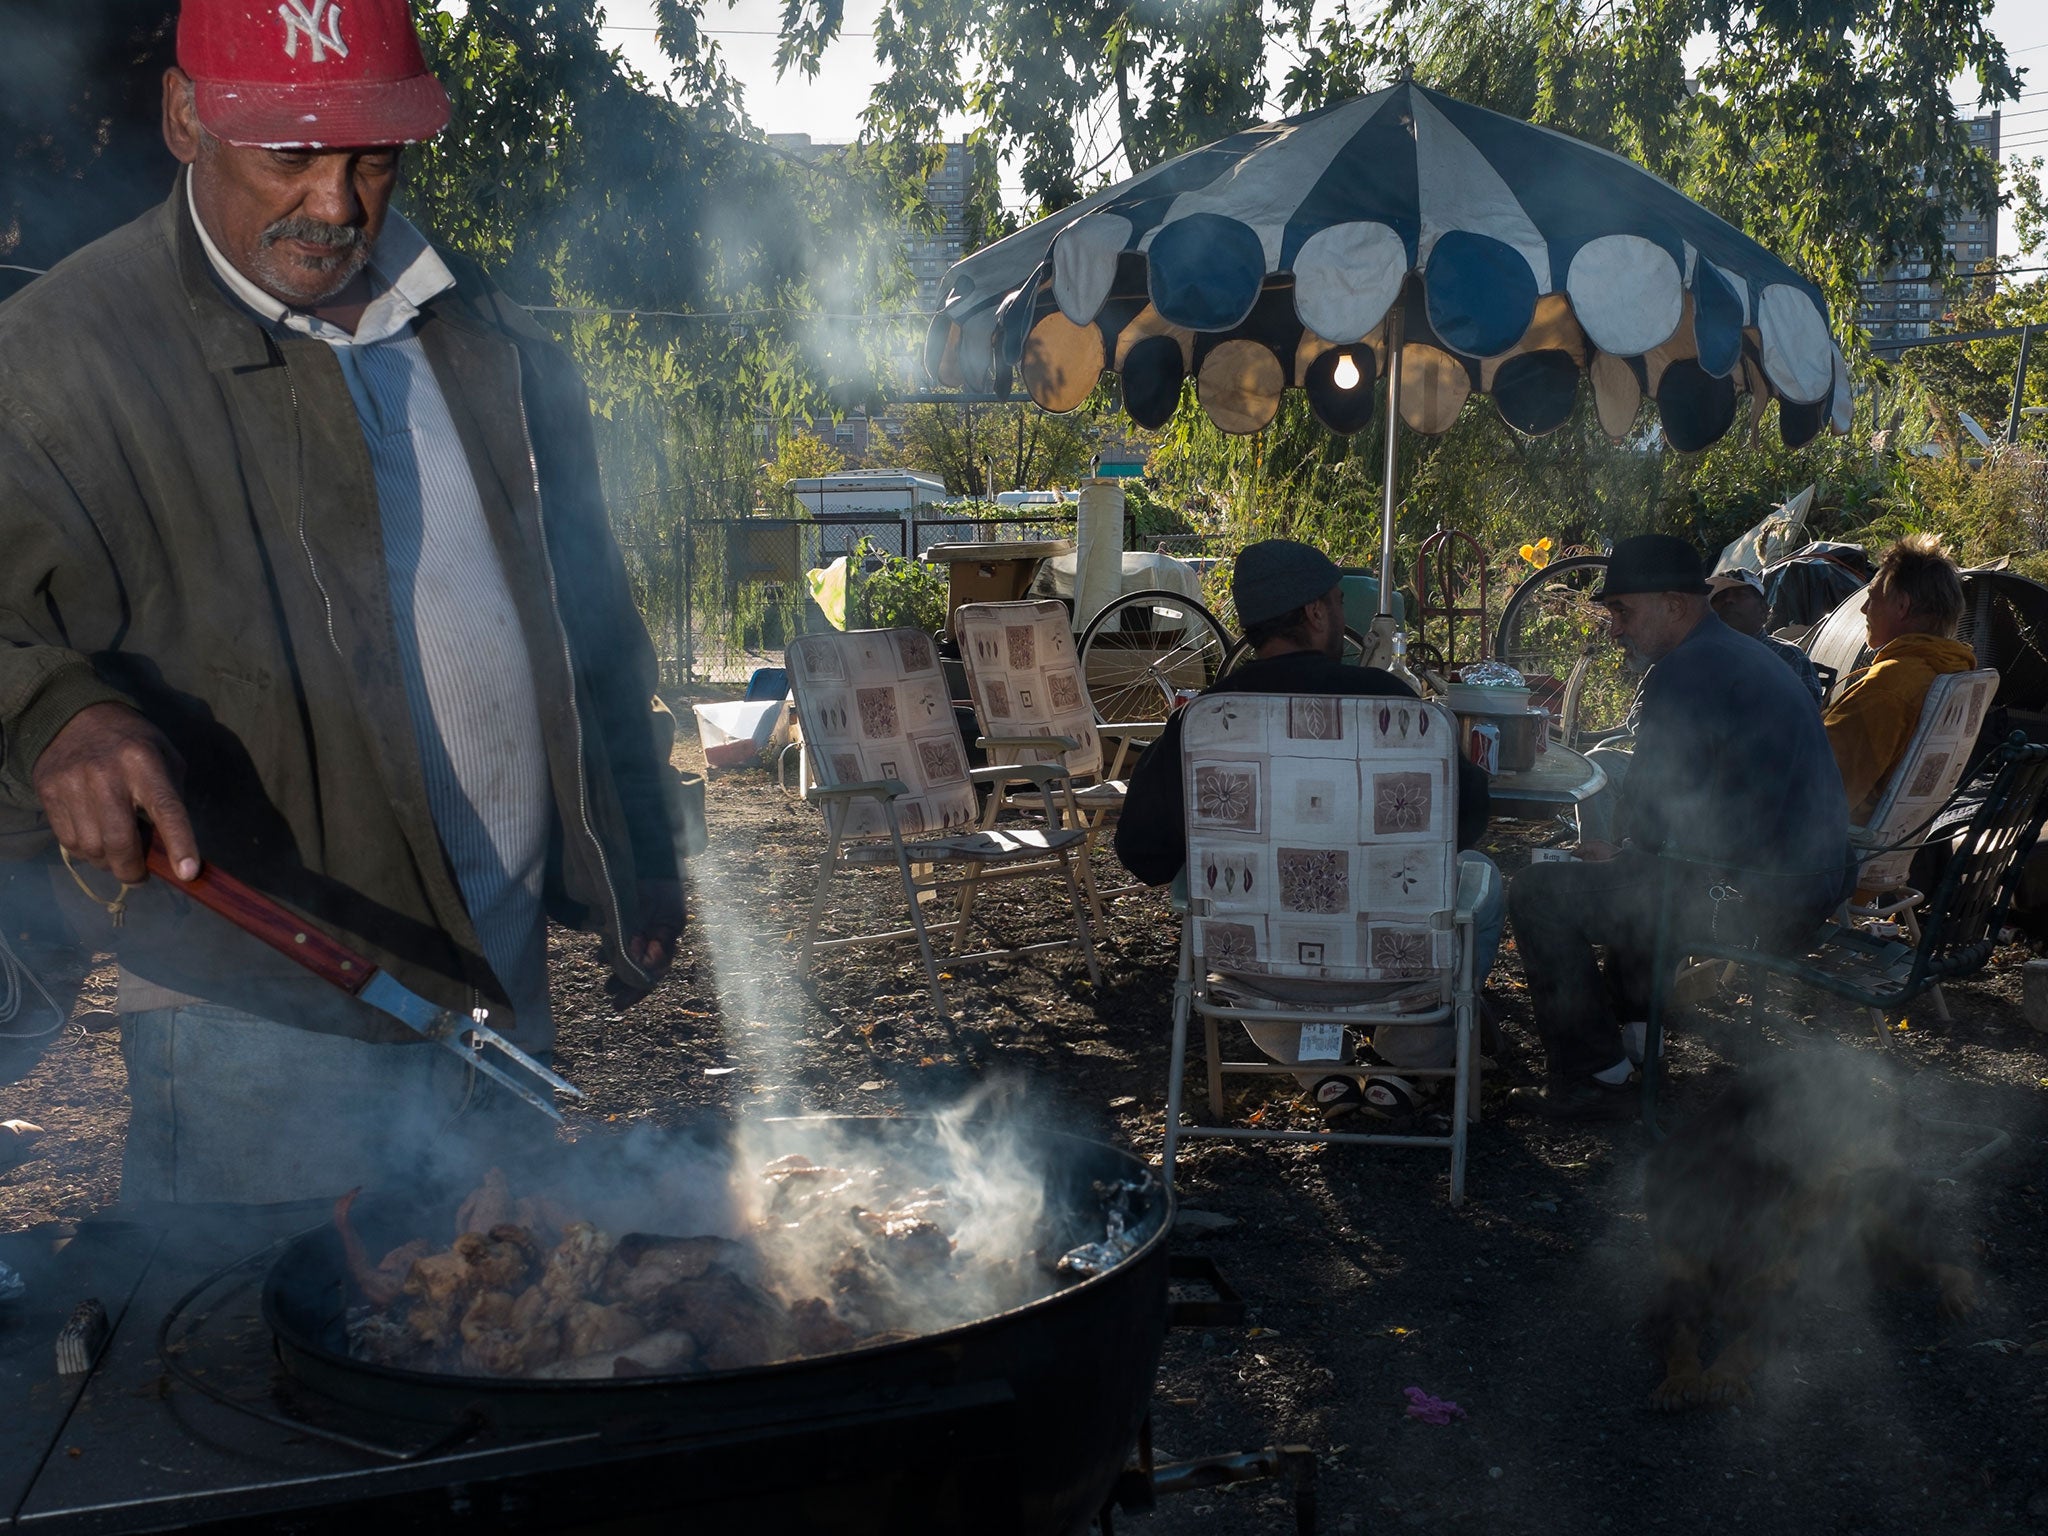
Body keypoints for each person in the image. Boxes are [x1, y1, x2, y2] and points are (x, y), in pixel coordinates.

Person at [0, 0, 697, 1201]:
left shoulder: (481, 330)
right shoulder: (59, 355)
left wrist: (633, 839)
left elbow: (587, 620)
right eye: (290, 155)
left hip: (499, 974)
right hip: (263, 1027)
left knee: (505, 1332)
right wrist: (56, 712)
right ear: (185, 117)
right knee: (264, 1362)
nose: (335, 204)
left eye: (370, 157)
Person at [1115, 540, 1502, 1124]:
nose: (1344, 615)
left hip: (1256, 976)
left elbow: (1141, 854)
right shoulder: (1395, 711)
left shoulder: (1204, 723)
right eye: (1339, 602)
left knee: (1221, 907)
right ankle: (1404, 1065)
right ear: (1317, 613)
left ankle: (1321, 1073)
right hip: (1395, 971)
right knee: (1484, 879)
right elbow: (1468, 824)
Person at [1507, 536, 1851, 1120]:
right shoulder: (1743, 653)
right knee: (1640, 871)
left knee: (1540, 894)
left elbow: (1650, 808)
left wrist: (1620, 850)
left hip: (1754, 896)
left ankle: (1594, 1075)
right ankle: (1640, 1038)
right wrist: (1633, 852)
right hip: (1811, 880)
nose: (1615, 627)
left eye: (1623, 611)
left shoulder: (1686, 672)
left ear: (1673, 604)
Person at [1823, 535, 1973, 823]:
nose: (1864, 609)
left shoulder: (1889, 686)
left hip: (1841, 849)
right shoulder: (1953, 670)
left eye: (1872, 598)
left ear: (1902, 606)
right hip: (1902, 840)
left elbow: (1822, 793)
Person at [1706, 569, 1826, 706]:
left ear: (1763, 608)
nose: (1728, 600)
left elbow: (1807, 718)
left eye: (1740, 594)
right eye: (1719, 597)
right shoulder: (1702, 661)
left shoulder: (1787, 656)